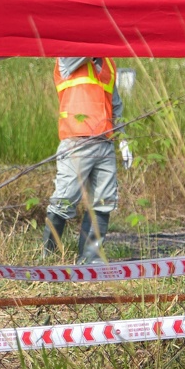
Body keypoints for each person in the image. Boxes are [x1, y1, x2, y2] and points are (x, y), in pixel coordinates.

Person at [44, 57, 131, 261]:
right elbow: (82, 49)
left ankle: (90, 260)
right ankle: (49, 259)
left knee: (103, 202)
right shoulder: (67, 57)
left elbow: (115, 105)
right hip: (76, 141)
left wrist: (124, 140)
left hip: (105, 143)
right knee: (64, 201)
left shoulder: (108, 63)